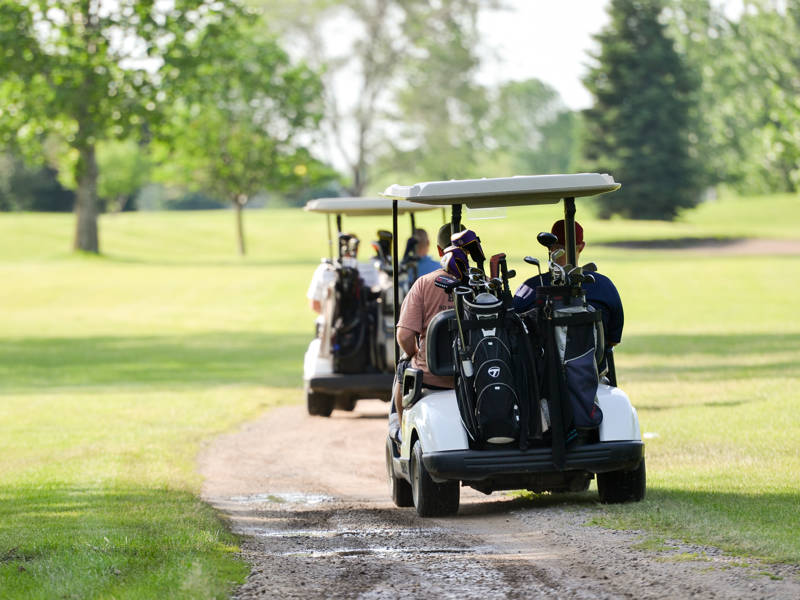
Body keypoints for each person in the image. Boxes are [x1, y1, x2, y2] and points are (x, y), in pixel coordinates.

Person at [388, 222, 466, 444]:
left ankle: (402, 433)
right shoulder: (483, 284)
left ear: (441, 251)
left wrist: (413, 354)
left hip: (431, 377)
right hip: (472, 376)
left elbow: (404, 335)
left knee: (403, 369)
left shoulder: (424, 284)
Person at [512, 219, 624, 346]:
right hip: (591, 365)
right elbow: (613, 341)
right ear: (581, 247)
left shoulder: (530, 288)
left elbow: (514, 335)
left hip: (542, 365)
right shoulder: (604, 285)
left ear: (550, 248)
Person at [307, 233, 379, 314]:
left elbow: (314, 304)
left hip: (329, 322)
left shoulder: (324, 268)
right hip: (364, 323)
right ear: (357, 249)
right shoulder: (370, 269)